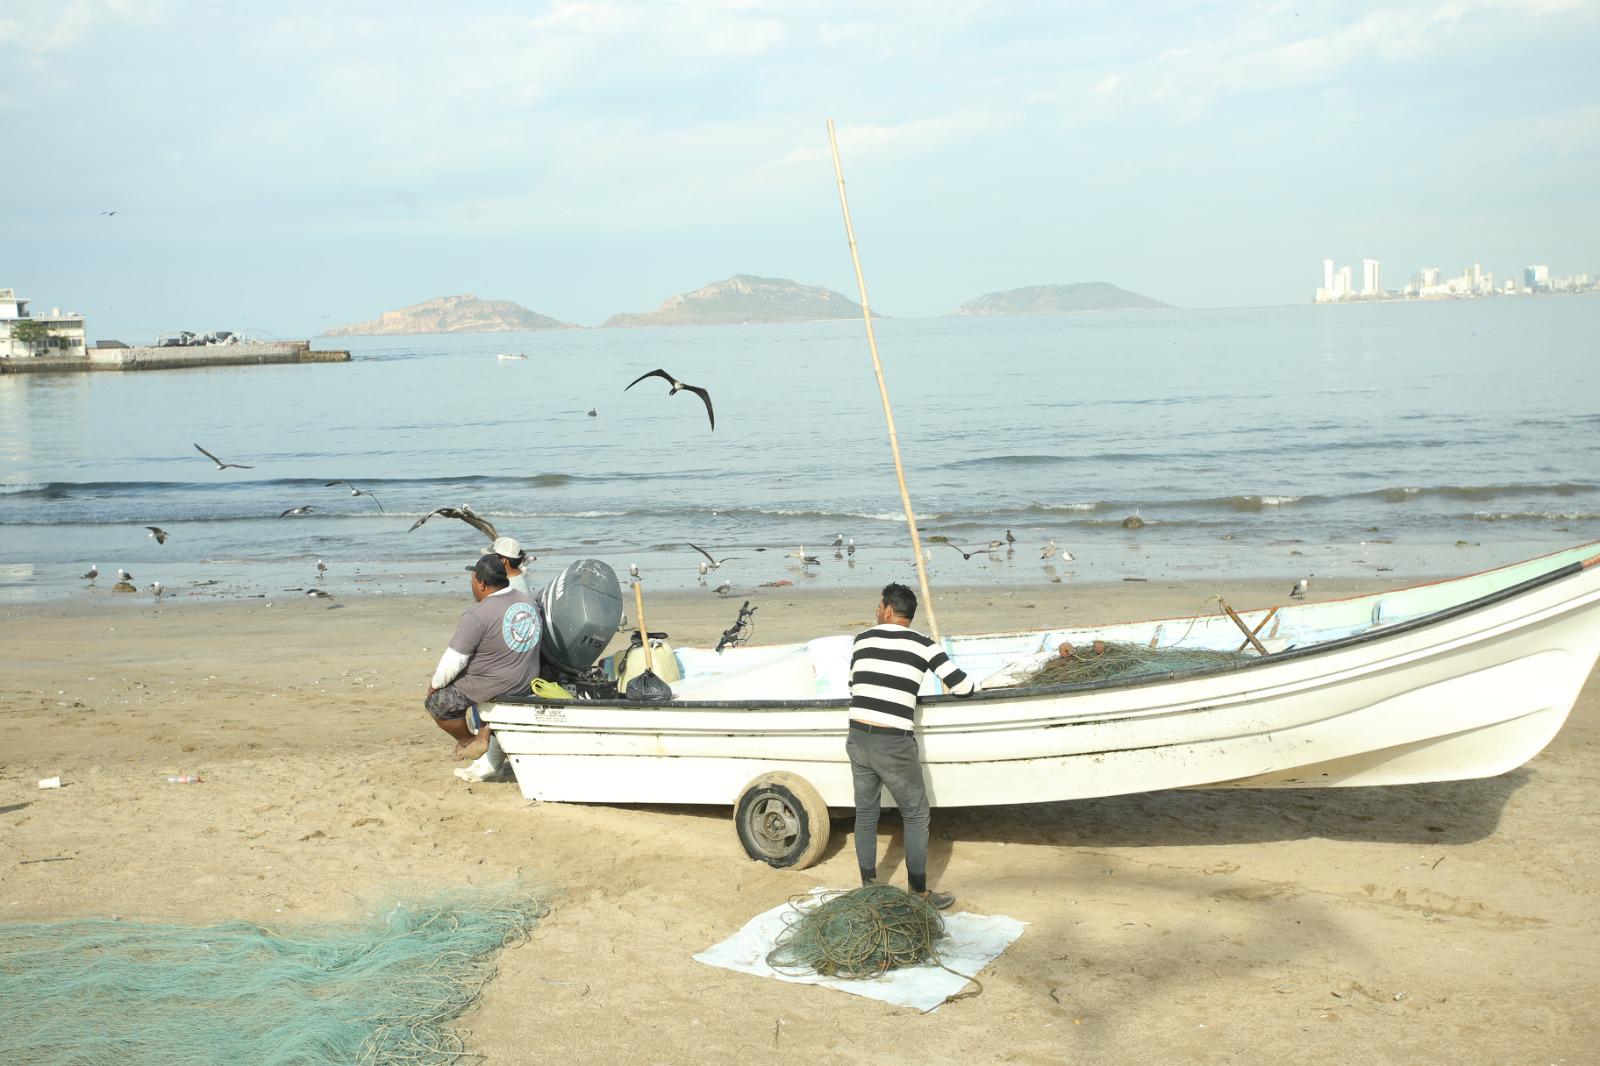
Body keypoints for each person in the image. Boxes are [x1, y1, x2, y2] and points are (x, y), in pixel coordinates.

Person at [847, 582, 975, 909]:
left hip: (858, 736)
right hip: (893, 741)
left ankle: (868, 887)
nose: (876, 613)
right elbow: (963, 687)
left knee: (866, 813)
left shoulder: (862, 640)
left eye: (878, 607)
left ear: (889, 610)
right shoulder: (924, 644)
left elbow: (854, 685)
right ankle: (919, 892)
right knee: (916, 814)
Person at [425, 554, 542, 779]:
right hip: (526, 677)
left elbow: (454, 659)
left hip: (496, 683)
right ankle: (485, 732)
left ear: (482, 583)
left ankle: (469, 740)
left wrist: (434, 685)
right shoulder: (528, 602)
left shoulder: (477, 614)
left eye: (472, 581)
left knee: (437, 704)